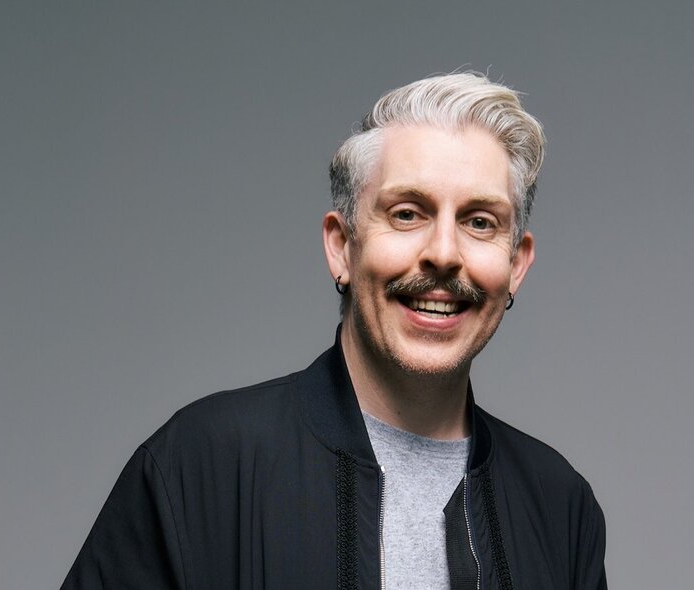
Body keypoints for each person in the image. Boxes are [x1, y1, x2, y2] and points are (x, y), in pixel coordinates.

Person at [62, 72, 608, 589]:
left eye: (480, 222)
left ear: (516, 265)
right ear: (341, 246)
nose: (444, 253)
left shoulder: (561, 507)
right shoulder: (198, 464)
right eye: (406, 213)